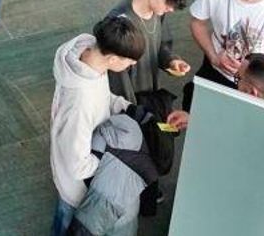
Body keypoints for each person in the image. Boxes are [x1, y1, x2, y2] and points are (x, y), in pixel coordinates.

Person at [50, 16, 178, 236]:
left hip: (84, 164)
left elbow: (102, 97)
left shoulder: (90, 56)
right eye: (130, 61)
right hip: (81, 192)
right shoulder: (79, 104)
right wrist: (114, 154)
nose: (133, 64)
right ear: (112, 58)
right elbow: (78, 166)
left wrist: (130, 109)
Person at [106, 0, 192, 109]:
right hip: (130, 105)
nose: (171, 9)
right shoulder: (120, 25)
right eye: (168, 3)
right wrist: (135, 112)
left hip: (149, 97)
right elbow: (118, 82)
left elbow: (160, 44)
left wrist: (171, 61)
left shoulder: (157, 11)